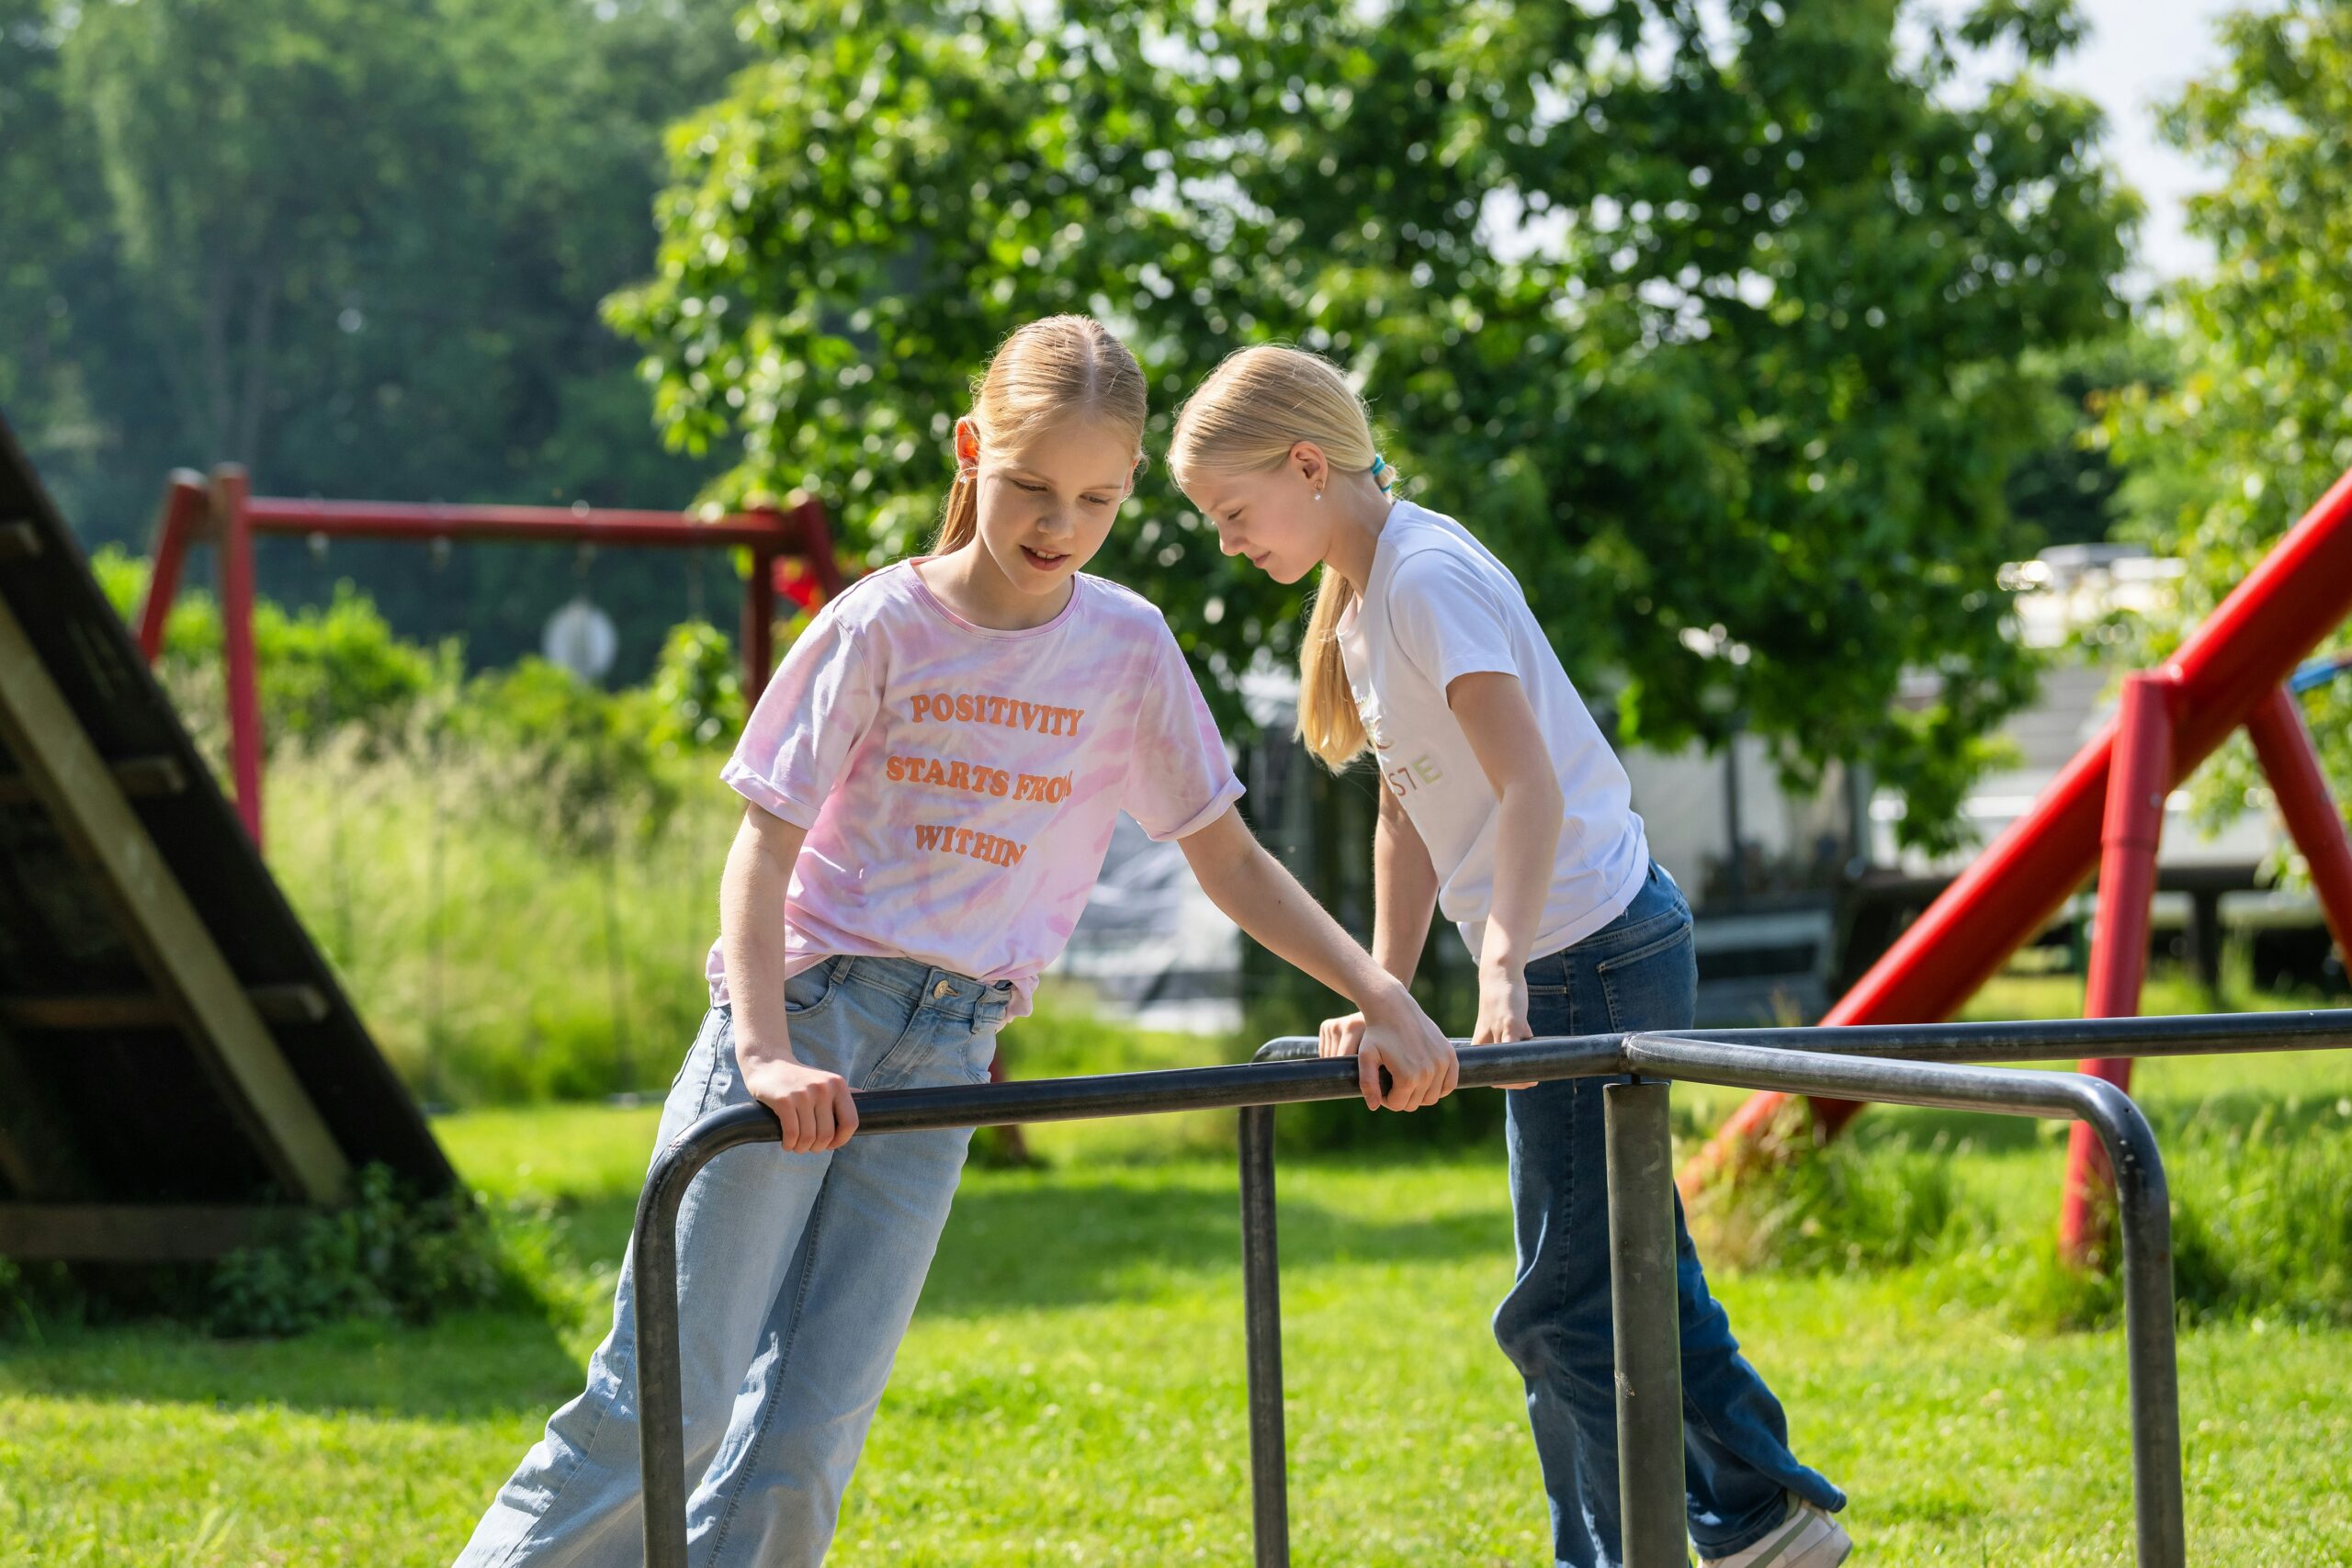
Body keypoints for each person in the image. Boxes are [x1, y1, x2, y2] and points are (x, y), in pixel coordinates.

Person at [453, 318, 1457, 1567]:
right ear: (973, 451)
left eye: (1097, 499)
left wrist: (1381, 991)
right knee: (672, 1402)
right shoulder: (878, 625)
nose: (1059, 524)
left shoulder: (1128, 647)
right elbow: (762, 849)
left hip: (950, 1050)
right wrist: (763, 1052)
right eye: (1032, 485)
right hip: (810, 1014)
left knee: (809, 1432)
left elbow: (1230, 859)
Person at [1169, 344, 1851, 1568]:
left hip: (1593, 953)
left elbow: (1530, 786)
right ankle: (1760, 1518)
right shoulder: (1363, 599)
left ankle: (1738, 1521)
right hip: (1582, 947)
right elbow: (1408, 811)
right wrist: (1384, 991)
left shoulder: (1426, 578)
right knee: (1617, 1276)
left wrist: (1500, 973)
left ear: (1308, 466)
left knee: (1565, 1309)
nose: (1227, 542)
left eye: (1232, 512)